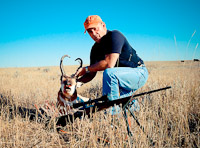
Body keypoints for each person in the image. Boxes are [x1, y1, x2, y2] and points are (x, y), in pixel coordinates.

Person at [75, 15, 148, 115]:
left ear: (103, 25)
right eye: (89, 32)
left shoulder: (115, 36)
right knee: (126, 105)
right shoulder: (95, 49)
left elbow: (109, 64)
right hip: (120, 78)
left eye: (95, 29)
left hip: (138, 73)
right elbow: (91, 73)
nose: (93, 34)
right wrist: (75, 82)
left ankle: (112, 116)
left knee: (109, 73)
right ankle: (135, 110)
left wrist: (86, 69)